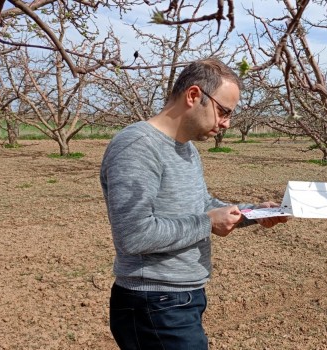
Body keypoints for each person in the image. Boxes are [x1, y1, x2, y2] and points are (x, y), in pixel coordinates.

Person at [99, 58, 288, 349]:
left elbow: (201, 204)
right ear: (194, 96)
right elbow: (134, 235)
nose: (226, 123)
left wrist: (255, 212)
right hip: (154, 304)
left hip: (179, 300)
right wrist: (208, 222)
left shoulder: (186, 149)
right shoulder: (137, 146)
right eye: (224, 111)